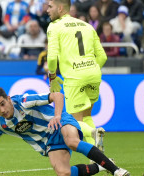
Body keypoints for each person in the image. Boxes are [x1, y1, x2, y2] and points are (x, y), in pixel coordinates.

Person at [0, 87, 130, 176]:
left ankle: (116, 170)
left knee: (71, 141)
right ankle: (100, 167)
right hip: (50, 142)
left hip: (61, 122)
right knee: (64, 173)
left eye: (3, 104)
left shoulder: (23, 101)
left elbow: (58, 96)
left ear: (9, 99)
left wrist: (57, 116)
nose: (2, 110)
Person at [46, 0, 107, 148]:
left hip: (75, 77)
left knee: (74, 120)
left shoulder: (54, 26)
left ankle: (93, 131)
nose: (47, 10)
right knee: (86, 116)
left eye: (50, 7)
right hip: (93, 73)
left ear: (60, 8)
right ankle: (96, 157)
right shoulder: (87, 26)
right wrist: (89, 69)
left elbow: (52, 57)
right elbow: (103, 57)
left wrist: (53, 76)